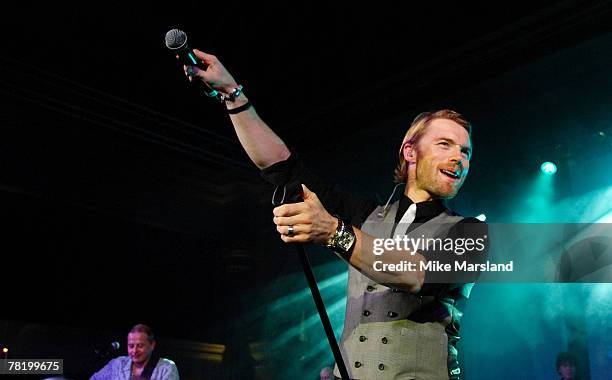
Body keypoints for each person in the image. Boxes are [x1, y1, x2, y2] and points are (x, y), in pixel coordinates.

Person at [181, 50, 488, 380]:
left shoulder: (471, 233)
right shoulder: (367, 215)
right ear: (410, 151)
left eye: (465, 151)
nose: (459, 157)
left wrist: (333, 232)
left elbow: (416, 274)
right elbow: (283, 168)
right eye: (445, 144)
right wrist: (232, 93)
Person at [90, 324, 179, 380]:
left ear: (152, 345)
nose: (134, 350)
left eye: (140, 346)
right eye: (131, 346)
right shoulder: (117, 364)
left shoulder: (166, 368)